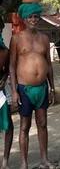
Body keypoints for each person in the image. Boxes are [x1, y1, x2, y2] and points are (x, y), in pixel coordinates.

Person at [9, 3, 60, 169]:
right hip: (24, 89)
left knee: (43, 123)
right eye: (30, 16)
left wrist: (52, 88)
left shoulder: (44, 38)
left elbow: (49, 65)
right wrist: (14, 91)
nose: (33, 19)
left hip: (42, 88)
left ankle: (44, 160)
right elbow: (12, 65)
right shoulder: (16, 38)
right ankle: (24, 164)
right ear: (24, 19)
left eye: (36, 16)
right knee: (24, 126)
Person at [0, 20, 13, 169]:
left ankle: (5, 161)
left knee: (7, 126)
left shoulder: (4, 50)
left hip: (1, 94)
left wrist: (4, 79)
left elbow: (7, 70)